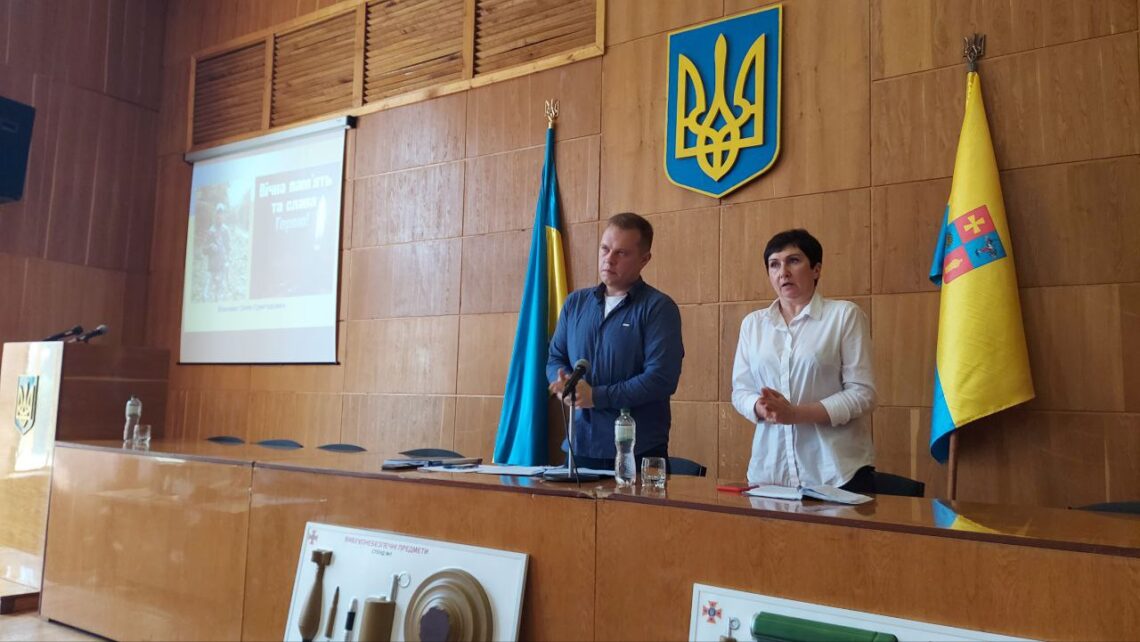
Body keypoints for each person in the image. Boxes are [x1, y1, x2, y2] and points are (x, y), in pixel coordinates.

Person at [730, 229, 877, 493]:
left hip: (836, 471)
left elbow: (862, 394)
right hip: (770, 470)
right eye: (774, 264)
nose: (783, 272)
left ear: (816, 269)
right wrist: (760, 407)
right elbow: (740, 390)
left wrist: (795, 414)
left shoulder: (844, 316)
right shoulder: (753, 324)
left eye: (793, 261)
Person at [547, 212, 684, 472]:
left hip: (636, 451)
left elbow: (660, 379)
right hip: (579, 446)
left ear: (644, 259)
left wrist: (596, 396)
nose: (609, 259)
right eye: (605, 249)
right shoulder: (575, 303)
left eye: (621, 253)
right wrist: (565, 383)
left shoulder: (658, 308)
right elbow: (556, 357)